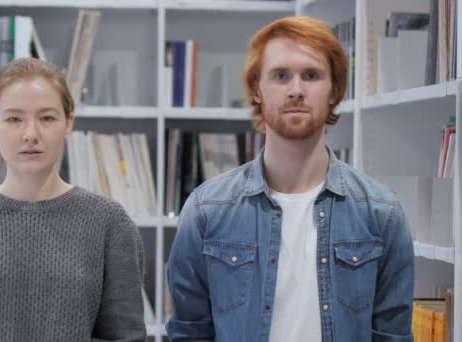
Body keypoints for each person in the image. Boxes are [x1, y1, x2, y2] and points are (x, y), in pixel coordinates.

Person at [166, 16, 414, 342]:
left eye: (311, 75)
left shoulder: (382, 214)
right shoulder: (205, 211)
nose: (296, 90)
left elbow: (392, 337)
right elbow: (189, 334)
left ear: (335, 90)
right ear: (257, 89)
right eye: (280, 75)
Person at [0, 58, 146, 342]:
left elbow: (124, 336)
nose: (31, 135)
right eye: (14, 119)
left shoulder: (110, 223)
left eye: (47, 118)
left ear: (68, 123)